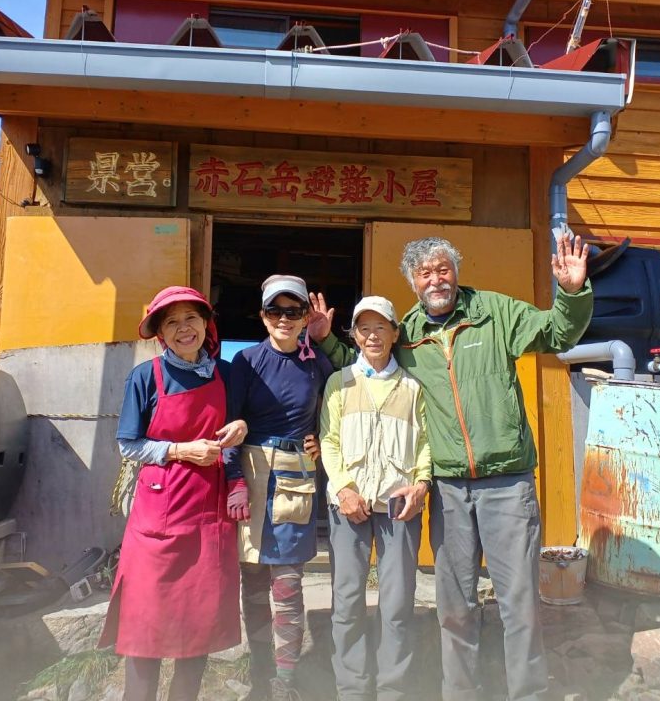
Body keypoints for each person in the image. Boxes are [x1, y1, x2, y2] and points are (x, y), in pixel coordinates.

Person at [308, 236, 592, 701]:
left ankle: (528, 694)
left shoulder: (494, 313)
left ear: (455, 271)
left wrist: (573, 293)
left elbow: (558, 333)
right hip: (449, 490)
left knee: (519, 604)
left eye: (443, 269)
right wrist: (324, 340)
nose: (436, 280)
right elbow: (368, 364)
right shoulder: (408, 334)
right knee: (455, 607)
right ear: (413, 283)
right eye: (425, 273)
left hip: (506, 483)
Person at [98, 286, 248, 701]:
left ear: (206, 325)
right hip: (158, 516)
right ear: (161, 333)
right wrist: (181, 450)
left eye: (191, 319)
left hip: (209, 513)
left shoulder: (226, 374)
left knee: (199, 626)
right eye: (172, 322)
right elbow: (128, 444)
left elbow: (240, 427)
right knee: (145, 625)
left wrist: (242, 427)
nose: (184, 329)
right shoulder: (145, 376)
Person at [224, 274, 334, 701]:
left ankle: (285, 683)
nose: (284, 319)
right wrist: (234, 480)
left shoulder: (318, 363)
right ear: (262, 315)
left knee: (288, 585)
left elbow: (337, 412)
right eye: (275, 310)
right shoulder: (246, 361)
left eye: (293, 311)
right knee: (252, 584)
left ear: (306, 316)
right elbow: (230, 423)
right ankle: (260, 678)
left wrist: (322, 440)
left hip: (295, 479)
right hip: (251, 478)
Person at [318, 295, 431, 701]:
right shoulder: (340, 382)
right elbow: (328, 440)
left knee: (397, 604)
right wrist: (343, 488)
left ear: (395, 334)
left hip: (399, 508)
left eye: (381, 327)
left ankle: (392, 690)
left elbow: (425, 443)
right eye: (363, 328)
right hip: (348, 506)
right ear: (353, 335)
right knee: (347, 601)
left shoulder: (413, 387)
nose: (372, 336)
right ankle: (351, 690)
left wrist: (421, 485)